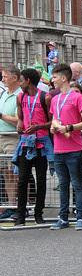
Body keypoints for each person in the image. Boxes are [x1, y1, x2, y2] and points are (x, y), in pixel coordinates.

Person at [49, 63, 82, 231]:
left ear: (64, 78)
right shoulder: (54, 99)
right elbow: (54, 120)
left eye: (54, 77)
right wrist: (53, 127)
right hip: (58, 149)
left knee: (77, 183)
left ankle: (80, 217)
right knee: (63, 184)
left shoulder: (77, 97)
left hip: (74, 148)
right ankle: (63, 217)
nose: (52, 81)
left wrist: (69, 127)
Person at [12, 69, 53, 226]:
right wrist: (19, 124)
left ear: (28, 80)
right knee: (22, 180)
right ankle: (21, 215)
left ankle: (38, 214)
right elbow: (20, 117)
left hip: (41, 144)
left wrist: (39, 127)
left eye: (21, 80)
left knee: (41, 180)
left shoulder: (45, 98)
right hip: (25, 143)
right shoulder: (20, 97)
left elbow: (52, 121)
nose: (19, 83)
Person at [0, 65, 22, 219]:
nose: (3, 79)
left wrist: (1, 115)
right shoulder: (3, 94)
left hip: (13, 137)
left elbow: (18, 120)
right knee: (6, 173)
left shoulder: (20, 95)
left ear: (15, 78)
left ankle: (22, 206)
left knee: (18, 174)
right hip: (1, 137)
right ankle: (11, 204)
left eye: (5, 77)